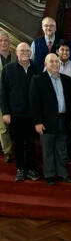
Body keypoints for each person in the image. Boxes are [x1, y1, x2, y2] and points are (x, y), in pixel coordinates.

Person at [29, 53, 71, 186]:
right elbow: (34, 103)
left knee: (62, 148)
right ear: (45, 64)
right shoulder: (38, 79)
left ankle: (62, 173)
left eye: (57, 61)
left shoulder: (67, 80)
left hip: (63, 120)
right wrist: (37, 122)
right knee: (48, 149)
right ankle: (49, 174)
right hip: (46, 121)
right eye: (51, 62)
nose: (55, 64)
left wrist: (70, 118)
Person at [0, 42, 39, 181]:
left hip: (32, 114)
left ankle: (31, 168)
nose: (25, 53)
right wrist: (5, 112)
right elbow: (3, 93)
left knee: (30, 143)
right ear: (16, 52)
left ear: (31, 53)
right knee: (17, 143)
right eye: (22, 50)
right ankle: (21, 169)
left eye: (28, 51)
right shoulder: (8, 69)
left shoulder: (36, 68)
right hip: (15, 114)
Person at [0, 31, 16, 162]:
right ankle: (7, 151)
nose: (3, 43)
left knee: (16, 125)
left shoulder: (16, 57)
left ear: (10, 43)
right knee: (3, 127)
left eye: (5, 40)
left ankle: (18, 147)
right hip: (1, 97)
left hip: (16, 96)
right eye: (0, 41)